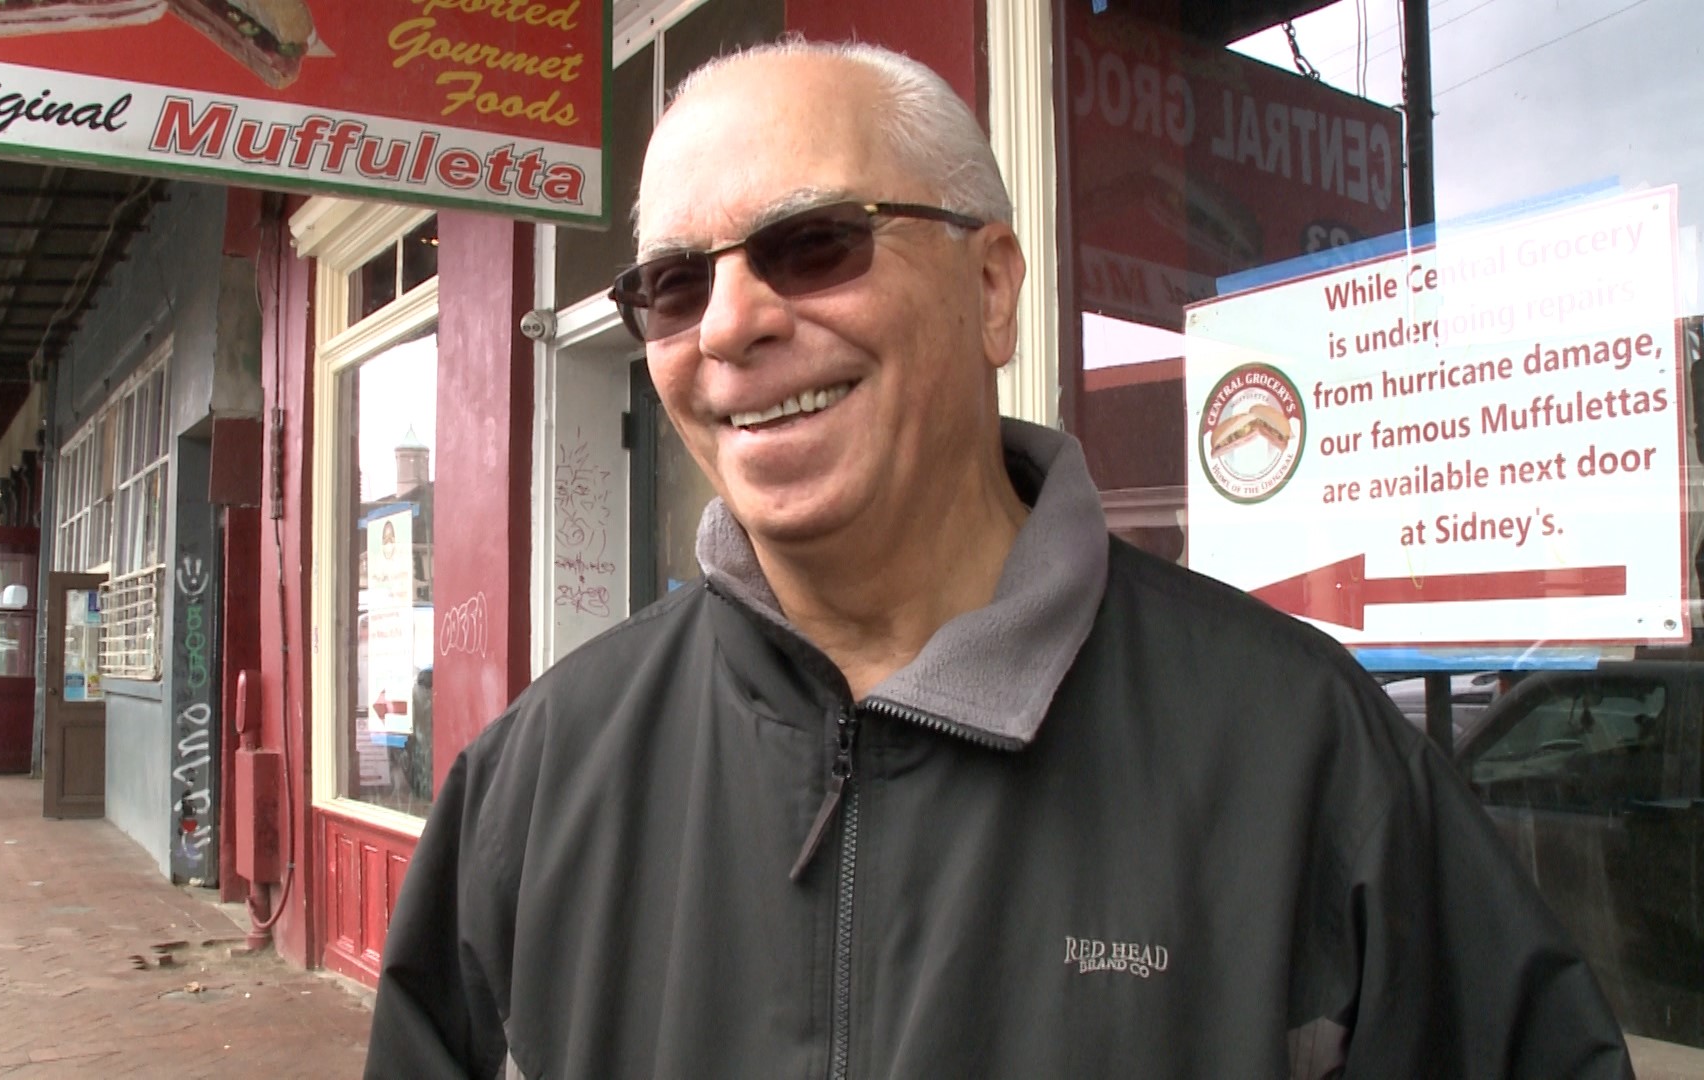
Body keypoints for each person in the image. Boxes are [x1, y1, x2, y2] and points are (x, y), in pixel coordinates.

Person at [364, 41, 1632, 1079]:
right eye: (677, 285)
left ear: (990, 287)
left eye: (814, 244)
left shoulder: (1303, 756)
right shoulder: (535, 782)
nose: (733, 325)